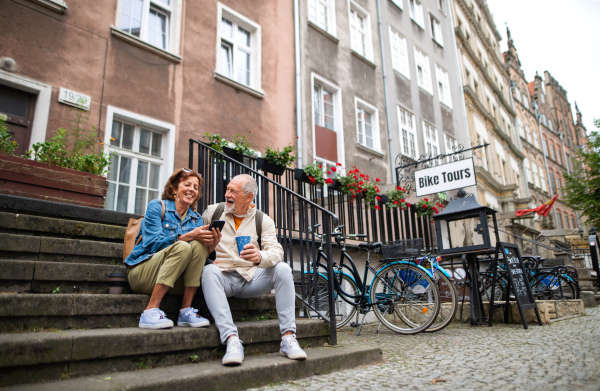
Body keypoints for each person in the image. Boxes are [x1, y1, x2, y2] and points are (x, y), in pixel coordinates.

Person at [201, 174, 307, 365]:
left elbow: (276, 251)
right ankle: (232, 340)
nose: (227, 194)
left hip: (250, 278)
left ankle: (288, 339)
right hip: (222, 278)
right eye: (227, 189)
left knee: (283, 268)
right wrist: (208, 258)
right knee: (208, 272)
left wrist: (260, 256)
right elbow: (197, 241)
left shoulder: (262, 220)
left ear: (249, 197)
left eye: (233, 191)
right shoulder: (213, 212)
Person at [125, 168, 221, 329]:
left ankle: (185, 311)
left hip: (174, 278)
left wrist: (210, 249)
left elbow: (194, 260)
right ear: (174, 188)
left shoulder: (196, 219)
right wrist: (187, 237)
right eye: (187, 184)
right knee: (184, 246)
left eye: (195, 187)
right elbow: (151, 245)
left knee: (199, 245)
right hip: (143, 272)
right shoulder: (157, 206)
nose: (192, 189)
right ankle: (150, 311)